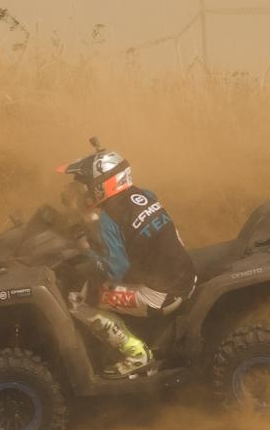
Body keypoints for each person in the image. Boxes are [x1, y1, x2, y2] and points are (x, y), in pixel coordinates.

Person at [60, 145, 197, 378]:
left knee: (77, 297)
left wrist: (86, 249)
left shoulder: (109, 219)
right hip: (187, 277)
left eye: (88, 186)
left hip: (161, 296)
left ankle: (136, 355)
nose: (86, 192)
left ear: (104, 183)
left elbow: (114, 271)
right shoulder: (144, 194)